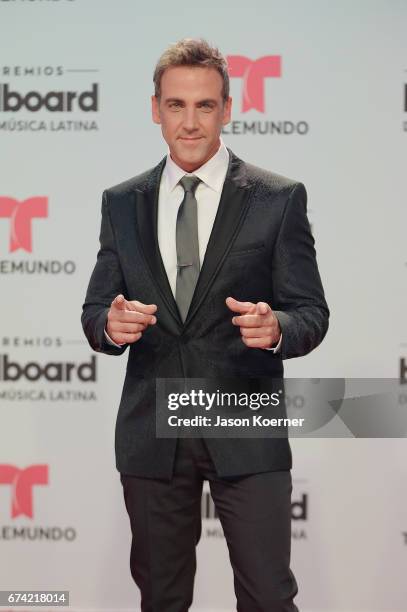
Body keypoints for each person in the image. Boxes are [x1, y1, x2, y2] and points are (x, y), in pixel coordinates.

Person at [81, 38, 329, 612]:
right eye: (175, 106)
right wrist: (112, 326)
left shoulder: (278, 198)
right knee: (162, 600)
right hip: (152, 432)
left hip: (245, 421)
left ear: (227, 108)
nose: (189, 123)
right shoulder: (122, 203)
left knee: (268, 597)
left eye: (204, 106)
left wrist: (278, 329)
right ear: (155, 109)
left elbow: (311, 313)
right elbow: (97, 312)